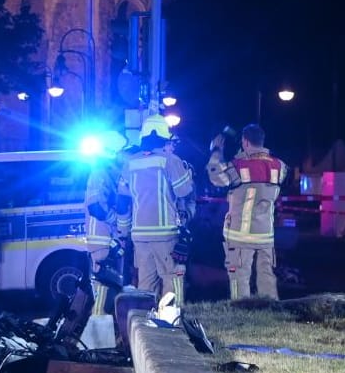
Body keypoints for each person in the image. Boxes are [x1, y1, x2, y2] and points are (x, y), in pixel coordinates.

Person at [118, 115, 195, 301]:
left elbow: (123, 197)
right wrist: (188, 173)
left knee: (145, 284)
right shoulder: (169, 160)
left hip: (139, 236)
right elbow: (184, 191)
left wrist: (123, 232)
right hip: (165, 233)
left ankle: (144, 325)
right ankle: (170, 324)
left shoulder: (130, 163)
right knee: (171, 279)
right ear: (163, 137)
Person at [207, 123, 287, 300]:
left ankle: (241, 311)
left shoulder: (238, 166)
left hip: (240, 235)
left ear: (245, 141)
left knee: (239, 278)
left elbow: (215, 177)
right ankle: (271, 312)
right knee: (267, 276)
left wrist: (216, 152)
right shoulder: (279, 166)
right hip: (266, 235)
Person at [83, 151, 131, 314]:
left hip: (107, 240)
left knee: (109, 287)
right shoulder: (99, 175)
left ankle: (102, 325)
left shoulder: (106, 175)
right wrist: (115, 219)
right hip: (102, 241)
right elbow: (95, 206)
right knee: (103, 285)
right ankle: (97, 327)